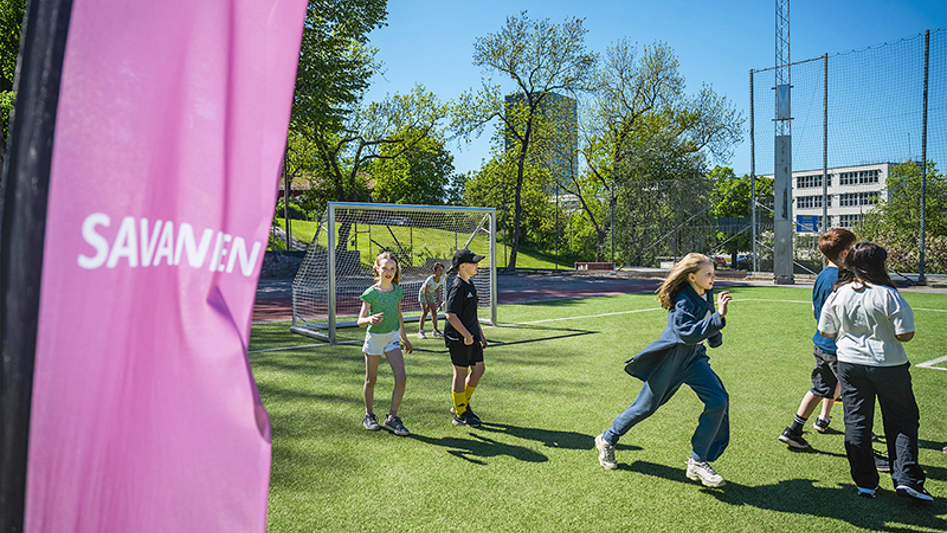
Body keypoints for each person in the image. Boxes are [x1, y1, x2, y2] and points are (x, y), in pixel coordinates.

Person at [595, 253, 732, 487]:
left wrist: (715, 336)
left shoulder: (705, 291)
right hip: (671, 359)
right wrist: (718, 318)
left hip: (694, 359)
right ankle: (607, 439)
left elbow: (706, 317)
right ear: (692, 277)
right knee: (645, 408)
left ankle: (698, 461)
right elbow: (686, 333)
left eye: (713, 272)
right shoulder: (682, 301)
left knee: (719, 400)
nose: (713, 277)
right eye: (707, 273)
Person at [818, 242, 932, 502]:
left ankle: (865, 483)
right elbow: (906, 335)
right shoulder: (888, 294)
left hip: (849, 364)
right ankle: (907, 480)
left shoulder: (839, 293)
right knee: (902, 421)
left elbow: (826, 331)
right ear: (880, 264)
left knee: (857, 422)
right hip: (888, 364)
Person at [778, 228, 856, 449]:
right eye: (852, 249)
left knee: (819, 388)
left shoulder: (822, 275)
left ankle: (794, 429)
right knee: (854, 396)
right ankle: (863, 447)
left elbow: (815, 309)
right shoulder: (843, 278)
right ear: (843, 253)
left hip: (821, 344)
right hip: (839, 347)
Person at [357, 252, 413, 436]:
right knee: (371, 380)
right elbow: (360, 320)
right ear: (377, 269)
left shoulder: (397, 291)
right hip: (375, 339)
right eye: (385, 268)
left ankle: (392, 418)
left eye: (392, 268)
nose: (389, 272)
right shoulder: (370, 293)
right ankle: (369, 415)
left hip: (392, 338)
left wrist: (404, 337)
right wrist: (369, 319)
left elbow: (398, 315)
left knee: (402, 378)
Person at [444, 248, 489, 428]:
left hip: (471, 335)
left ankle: (461, 405)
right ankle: (460, 413)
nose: (477, 264)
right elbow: (451, 315)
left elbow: (472, 313)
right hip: (458, 337)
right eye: (474, 262)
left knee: (479, 369)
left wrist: (480, 334)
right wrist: (466, 335)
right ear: (462, 266)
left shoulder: (470, 284)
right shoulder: (457, 286)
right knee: (460, 373)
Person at [418, 262, 446, 339]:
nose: (441, 272)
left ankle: (435, 330)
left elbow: (437, 291)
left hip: (430, 294)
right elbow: (424, 292)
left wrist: (439, 301)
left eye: (442, 270)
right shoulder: (429, 280)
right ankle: (421, 331)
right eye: (439, 270)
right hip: (423, 294)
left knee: (434, 312)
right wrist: (427, 303)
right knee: (425, 312)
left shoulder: (441, 280)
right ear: (434, 270)